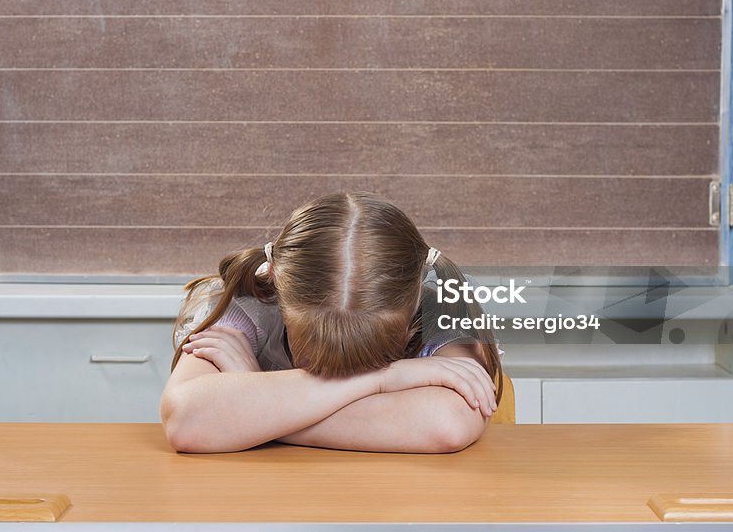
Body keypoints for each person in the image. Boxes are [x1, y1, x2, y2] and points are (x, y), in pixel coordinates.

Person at [160, 191, 505, 453]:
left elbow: (447, 424)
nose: (345, 373)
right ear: (278, 293)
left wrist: (256, 401)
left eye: (371, 361)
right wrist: (386, 377)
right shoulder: (247, 304)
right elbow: (187, 420)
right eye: (317, 362)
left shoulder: (443, 308)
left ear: (413, 306)